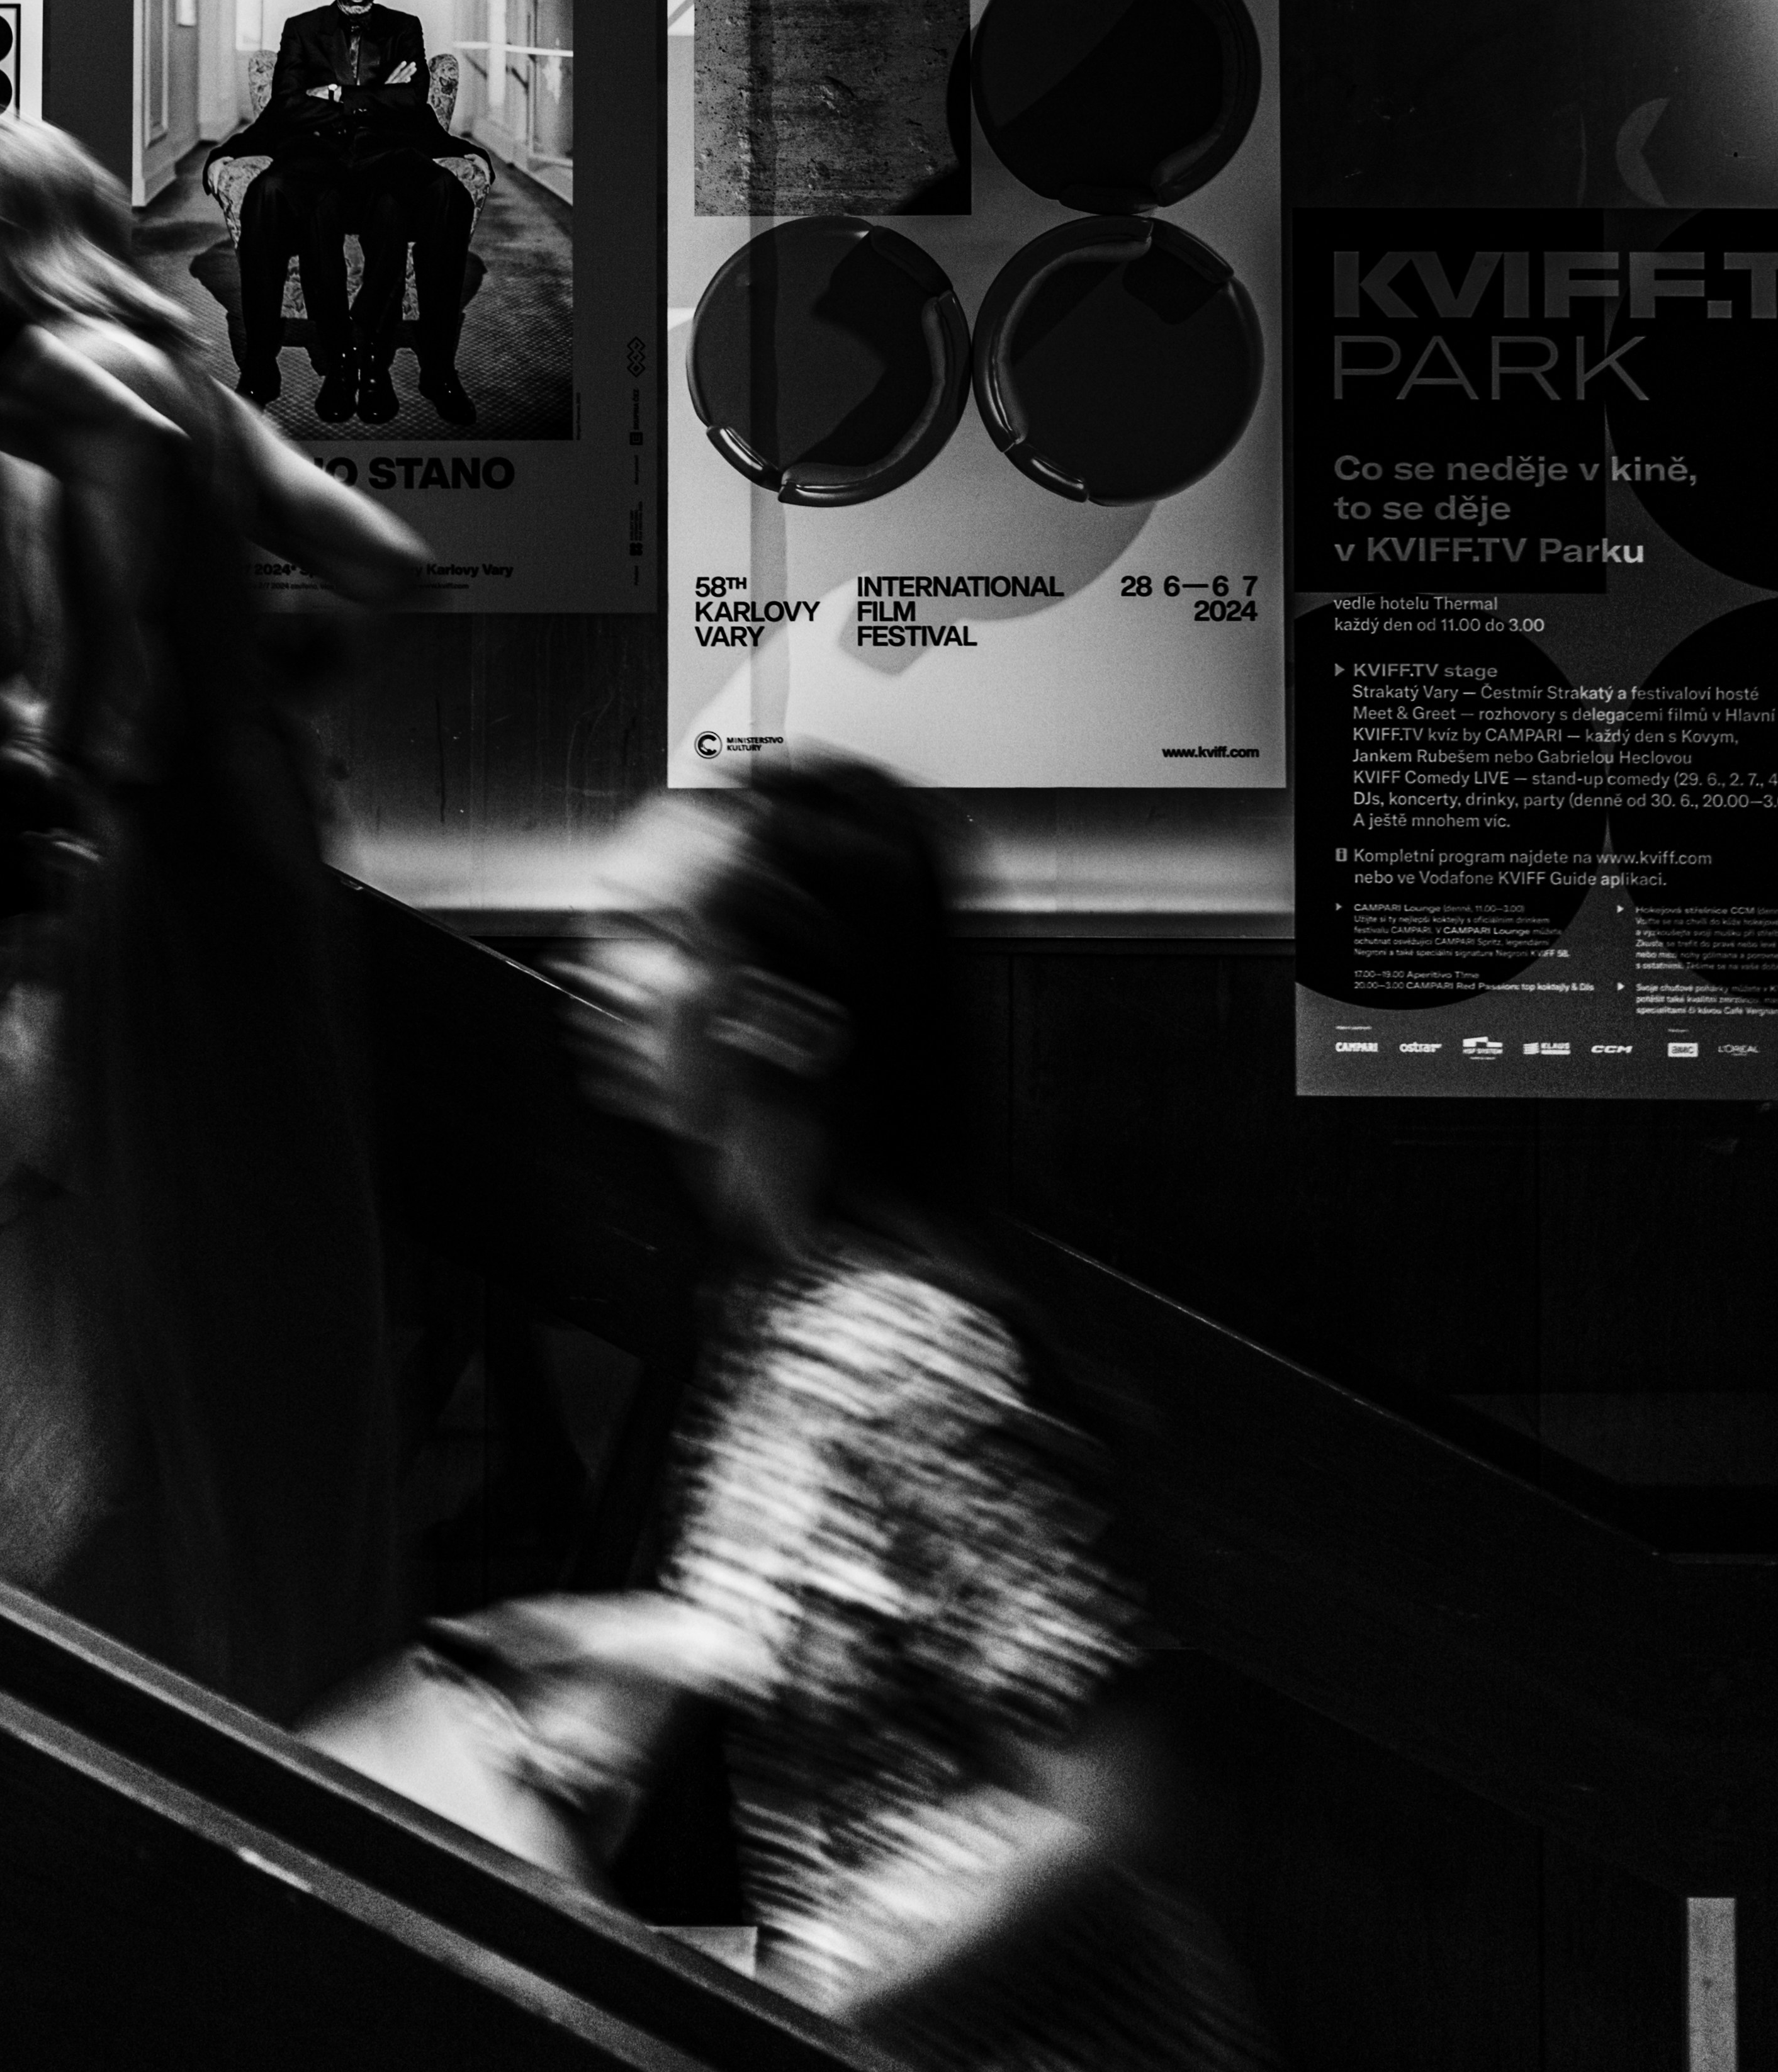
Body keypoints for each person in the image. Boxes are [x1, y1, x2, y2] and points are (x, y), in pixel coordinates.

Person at [316, 763, 1264, 2072]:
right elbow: (851, 1600)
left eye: (655, 934)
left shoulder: (896, 1345)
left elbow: (1105, 1796)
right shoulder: (779, 1305)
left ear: (781, 1018)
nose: (596, 963)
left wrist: (789, 2001)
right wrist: (640, 1650)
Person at [0, 115, 426, 1721]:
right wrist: (267, 706)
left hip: (145, 872)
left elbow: (93, 683)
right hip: (267, 851)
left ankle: (133, 1671)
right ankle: (298, 1644)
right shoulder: (194, 384)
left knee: (138, 1244)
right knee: (267, 1245)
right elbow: (385, 560)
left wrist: (77, 740)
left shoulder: (52, 394)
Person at [212, 0, 476, 429]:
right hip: (315, 158)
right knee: (265, 195)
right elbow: (288, 106)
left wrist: (333, 96)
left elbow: (412, 103)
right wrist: (374, 100)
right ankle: (265, 363)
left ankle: (433, 368)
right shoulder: (302, 28)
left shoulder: (404, 27)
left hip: (384, 159)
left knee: (448, 194)